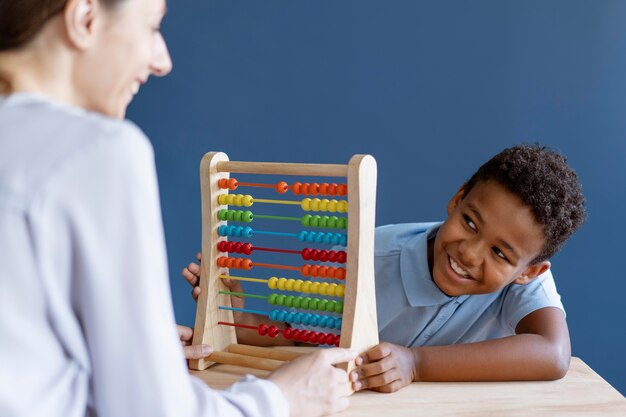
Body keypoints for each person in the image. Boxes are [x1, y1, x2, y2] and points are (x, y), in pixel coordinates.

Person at [0, 1, 356, 416]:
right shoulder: (97, 149)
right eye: (151, 27)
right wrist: (281, 399)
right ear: (85, 19)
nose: (162, 61)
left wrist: (124, 351)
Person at [183, 144, 586, 392]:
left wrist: (416, 363)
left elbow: (552, 354)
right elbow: (295, 332)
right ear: (456, 199)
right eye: (470, 223)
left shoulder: (525, 280)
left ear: (529, 271)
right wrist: (231, 315)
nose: (470, 253)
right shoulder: (368, 257)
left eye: (499, 253)